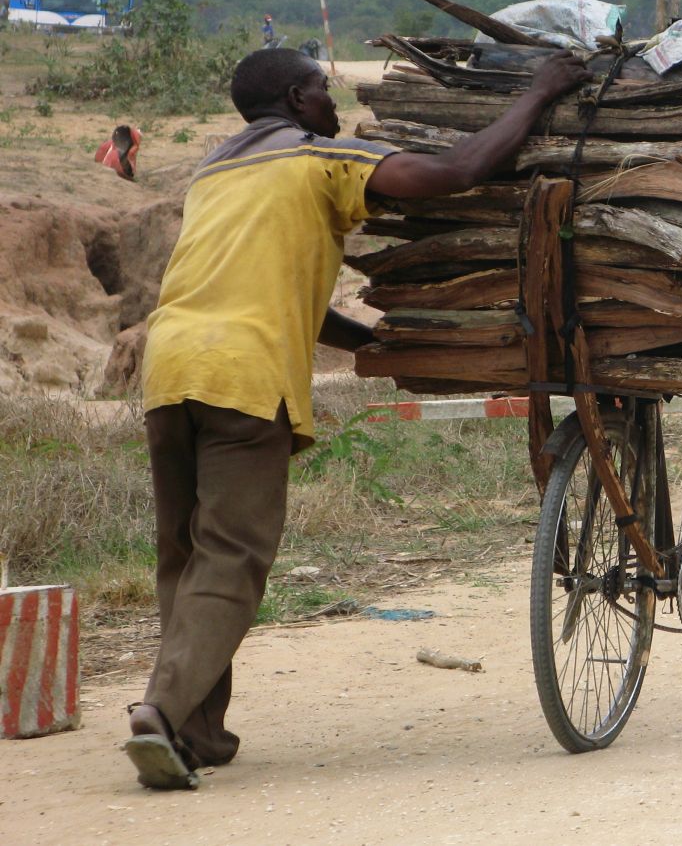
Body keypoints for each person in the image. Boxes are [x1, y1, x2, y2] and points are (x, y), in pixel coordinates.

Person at [124, 46, 588, 790]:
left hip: (171, 366)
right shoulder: (318, 157)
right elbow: (453, 173)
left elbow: (271, 287)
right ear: (298, 98)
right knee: (233, 558)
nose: (335, 103)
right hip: (243, 379)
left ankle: (197, 733)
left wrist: (370, 339)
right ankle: (163, 710)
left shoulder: (217, 170)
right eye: (324, 90)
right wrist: (537, 93)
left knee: (184, 556)